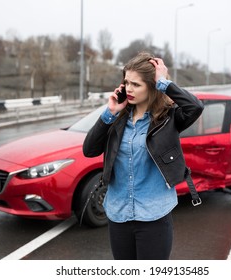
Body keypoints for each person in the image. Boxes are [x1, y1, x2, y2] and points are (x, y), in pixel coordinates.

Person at [82, 52, 204, 260]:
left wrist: (164, 82)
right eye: (126, 82)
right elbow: (89, 149)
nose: (129, 89)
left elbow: (195, 107)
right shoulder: (117, 118)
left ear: (152, 86)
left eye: (136, 85)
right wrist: (110, 111)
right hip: (118, 214)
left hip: (154, 216)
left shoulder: (169, 118)